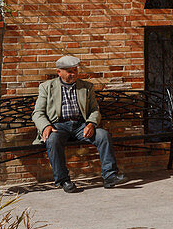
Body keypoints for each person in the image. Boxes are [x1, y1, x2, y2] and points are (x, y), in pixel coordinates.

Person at [32, 55, 126, 192]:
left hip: (80, 126)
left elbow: (95, 110)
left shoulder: (86, 87)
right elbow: (37, 113)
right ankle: (63, 181)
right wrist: (46, 126)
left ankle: (110, 176)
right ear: (59, 72)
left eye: (75, 70)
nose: (73, 74)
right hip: (58, 126)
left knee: (103, 135)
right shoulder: (47, 87)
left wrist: (91, 124)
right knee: (52, 140)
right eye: (69, 71)